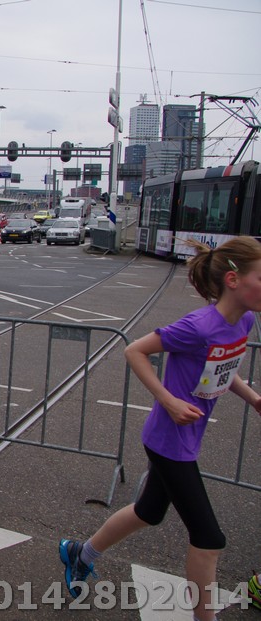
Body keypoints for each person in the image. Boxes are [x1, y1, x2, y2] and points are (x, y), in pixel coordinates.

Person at [59, 237, 261, 621]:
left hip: (187, 439)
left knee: (148, 511)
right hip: (169, 442)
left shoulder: (245, 320)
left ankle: (79, 554)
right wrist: (168, 400)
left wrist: (253, 398)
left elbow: (222, 367)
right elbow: (134, 350)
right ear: (234, 280)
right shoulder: (199, 326)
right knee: (209, 539)